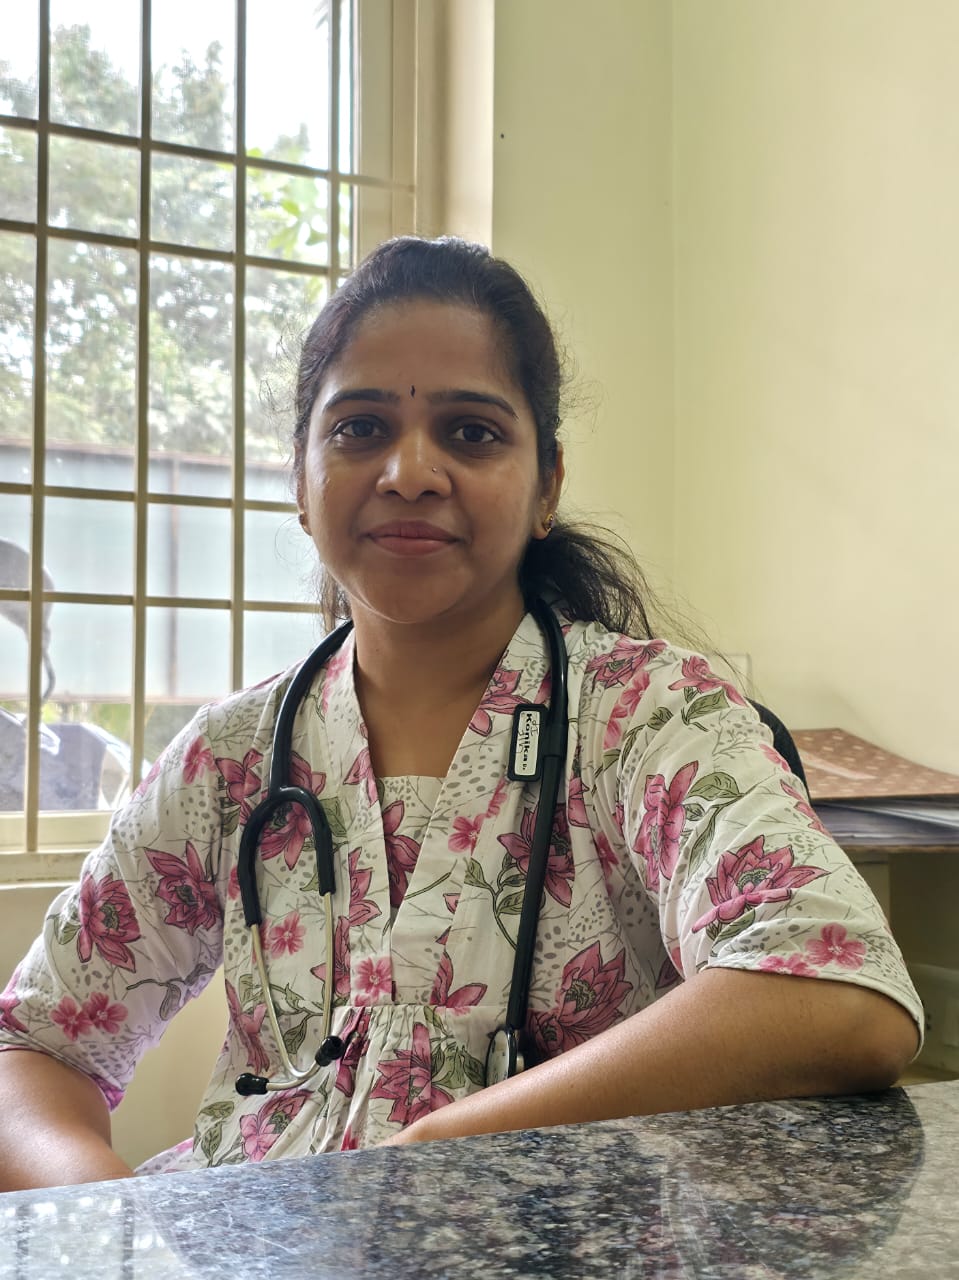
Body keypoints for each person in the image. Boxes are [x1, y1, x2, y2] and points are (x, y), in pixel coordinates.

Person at [0, 237, 920, 1190]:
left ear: (546, 484)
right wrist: (106, 1227)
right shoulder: (229, 761)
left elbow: (839, 993)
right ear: (300, 483)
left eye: (471, 433)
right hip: (248, 1241)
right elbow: (30, 1048)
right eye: (359, 428)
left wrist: (442, 1148)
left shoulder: (652, 718)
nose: (410, 471)